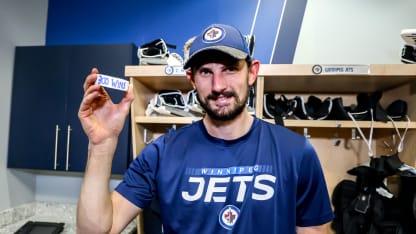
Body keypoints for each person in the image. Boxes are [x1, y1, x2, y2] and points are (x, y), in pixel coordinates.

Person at [77, 23, 334, 234]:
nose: (218, 85)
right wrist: (102, 145)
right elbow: (98, 231)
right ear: (191, 79)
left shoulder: (296, 152)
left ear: (252, 73)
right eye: (205, 72)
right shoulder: (160, 154)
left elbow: (313, 230)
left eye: (230, 69)